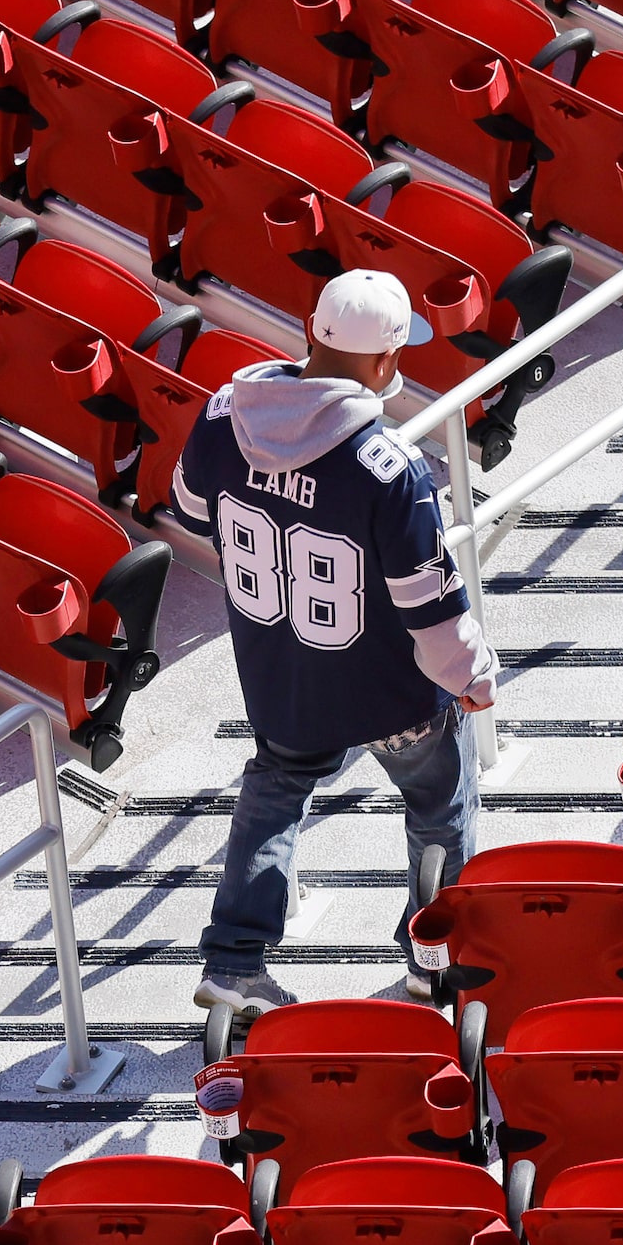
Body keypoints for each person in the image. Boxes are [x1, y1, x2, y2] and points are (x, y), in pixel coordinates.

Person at [173, 268, 497, 1018]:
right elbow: (431, 611)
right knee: (439, 805)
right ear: (384, 363)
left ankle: (233, 960)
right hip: (387, 689)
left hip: (281, 673)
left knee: (274, 792)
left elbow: (192, 508)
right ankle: (431, 957)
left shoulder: (225, 416)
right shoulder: (390, 468)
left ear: (311, 330)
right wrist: (474, 675)